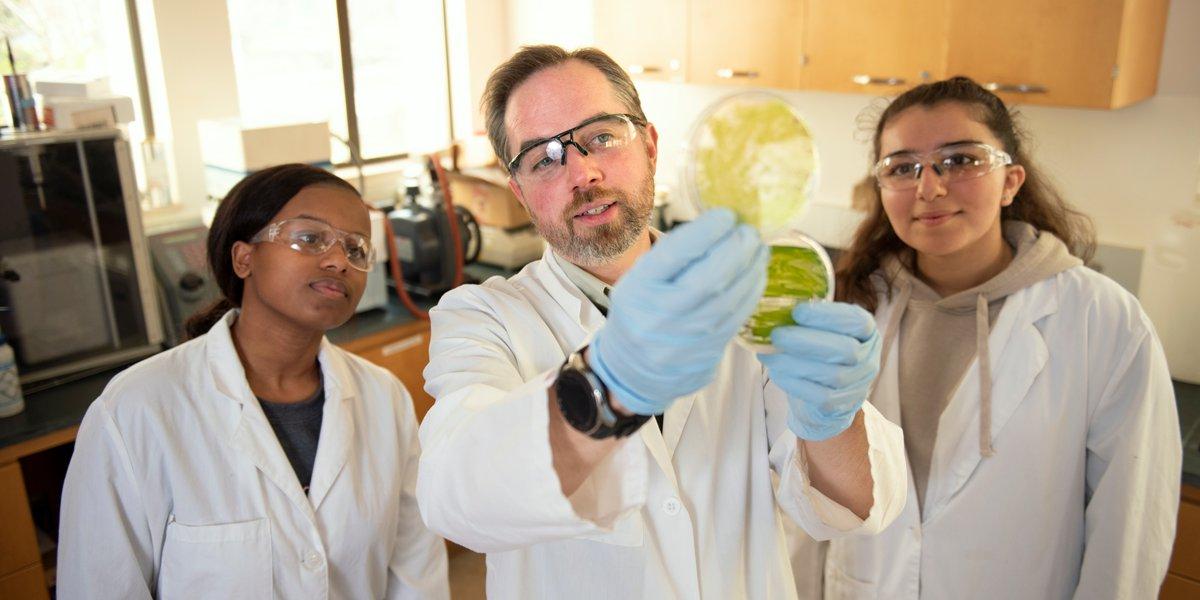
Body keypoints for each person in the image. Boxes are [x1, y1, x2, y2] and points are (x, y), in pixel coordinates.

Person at [414, 45, 908, 599]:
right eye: (543, 157)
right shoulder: (481, 317)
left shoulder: (751, 287)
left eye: (601, 135)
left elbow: (858, 507)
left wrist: (830, 419)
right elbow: (453, 498)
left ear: (649, 146)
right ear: (522, 193)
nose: (583, 171)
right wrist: (609, 382)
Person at [824, 76, 1181, 599]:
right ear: (881, 190)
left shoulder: (1100, 320)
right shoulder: (853, 306)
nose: (930, 187)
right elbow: (811, 492)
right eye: (902, 168)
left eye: (961, 159)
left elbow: (1131, 526)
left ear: (1011, 180)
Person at [57, 164, 449, 599]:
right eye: (310, 238)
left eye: (356, 249)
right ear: (244, 258)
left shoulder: (384, 397)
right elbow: (99, 586)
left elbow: (416, 569)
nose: (339, 260)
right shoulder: (137, 410)